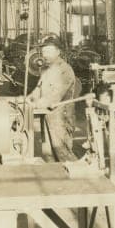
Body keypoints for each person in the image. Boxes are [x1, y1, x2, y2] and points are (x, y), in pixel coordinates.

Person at [27, 34, 80, 162]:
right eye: (44, 51)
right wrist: (28, 99)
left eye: (49, 51)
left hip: (61, 119)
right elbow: (39, 89)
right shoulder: (47, 69)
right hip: (47, 116)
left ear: (58, 51)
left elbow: (55, 96)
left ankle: (77, 179)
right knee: (48, 154)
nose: (45, 54)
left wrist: (37, 104)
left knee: (63, 154)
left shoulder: (65, 70)